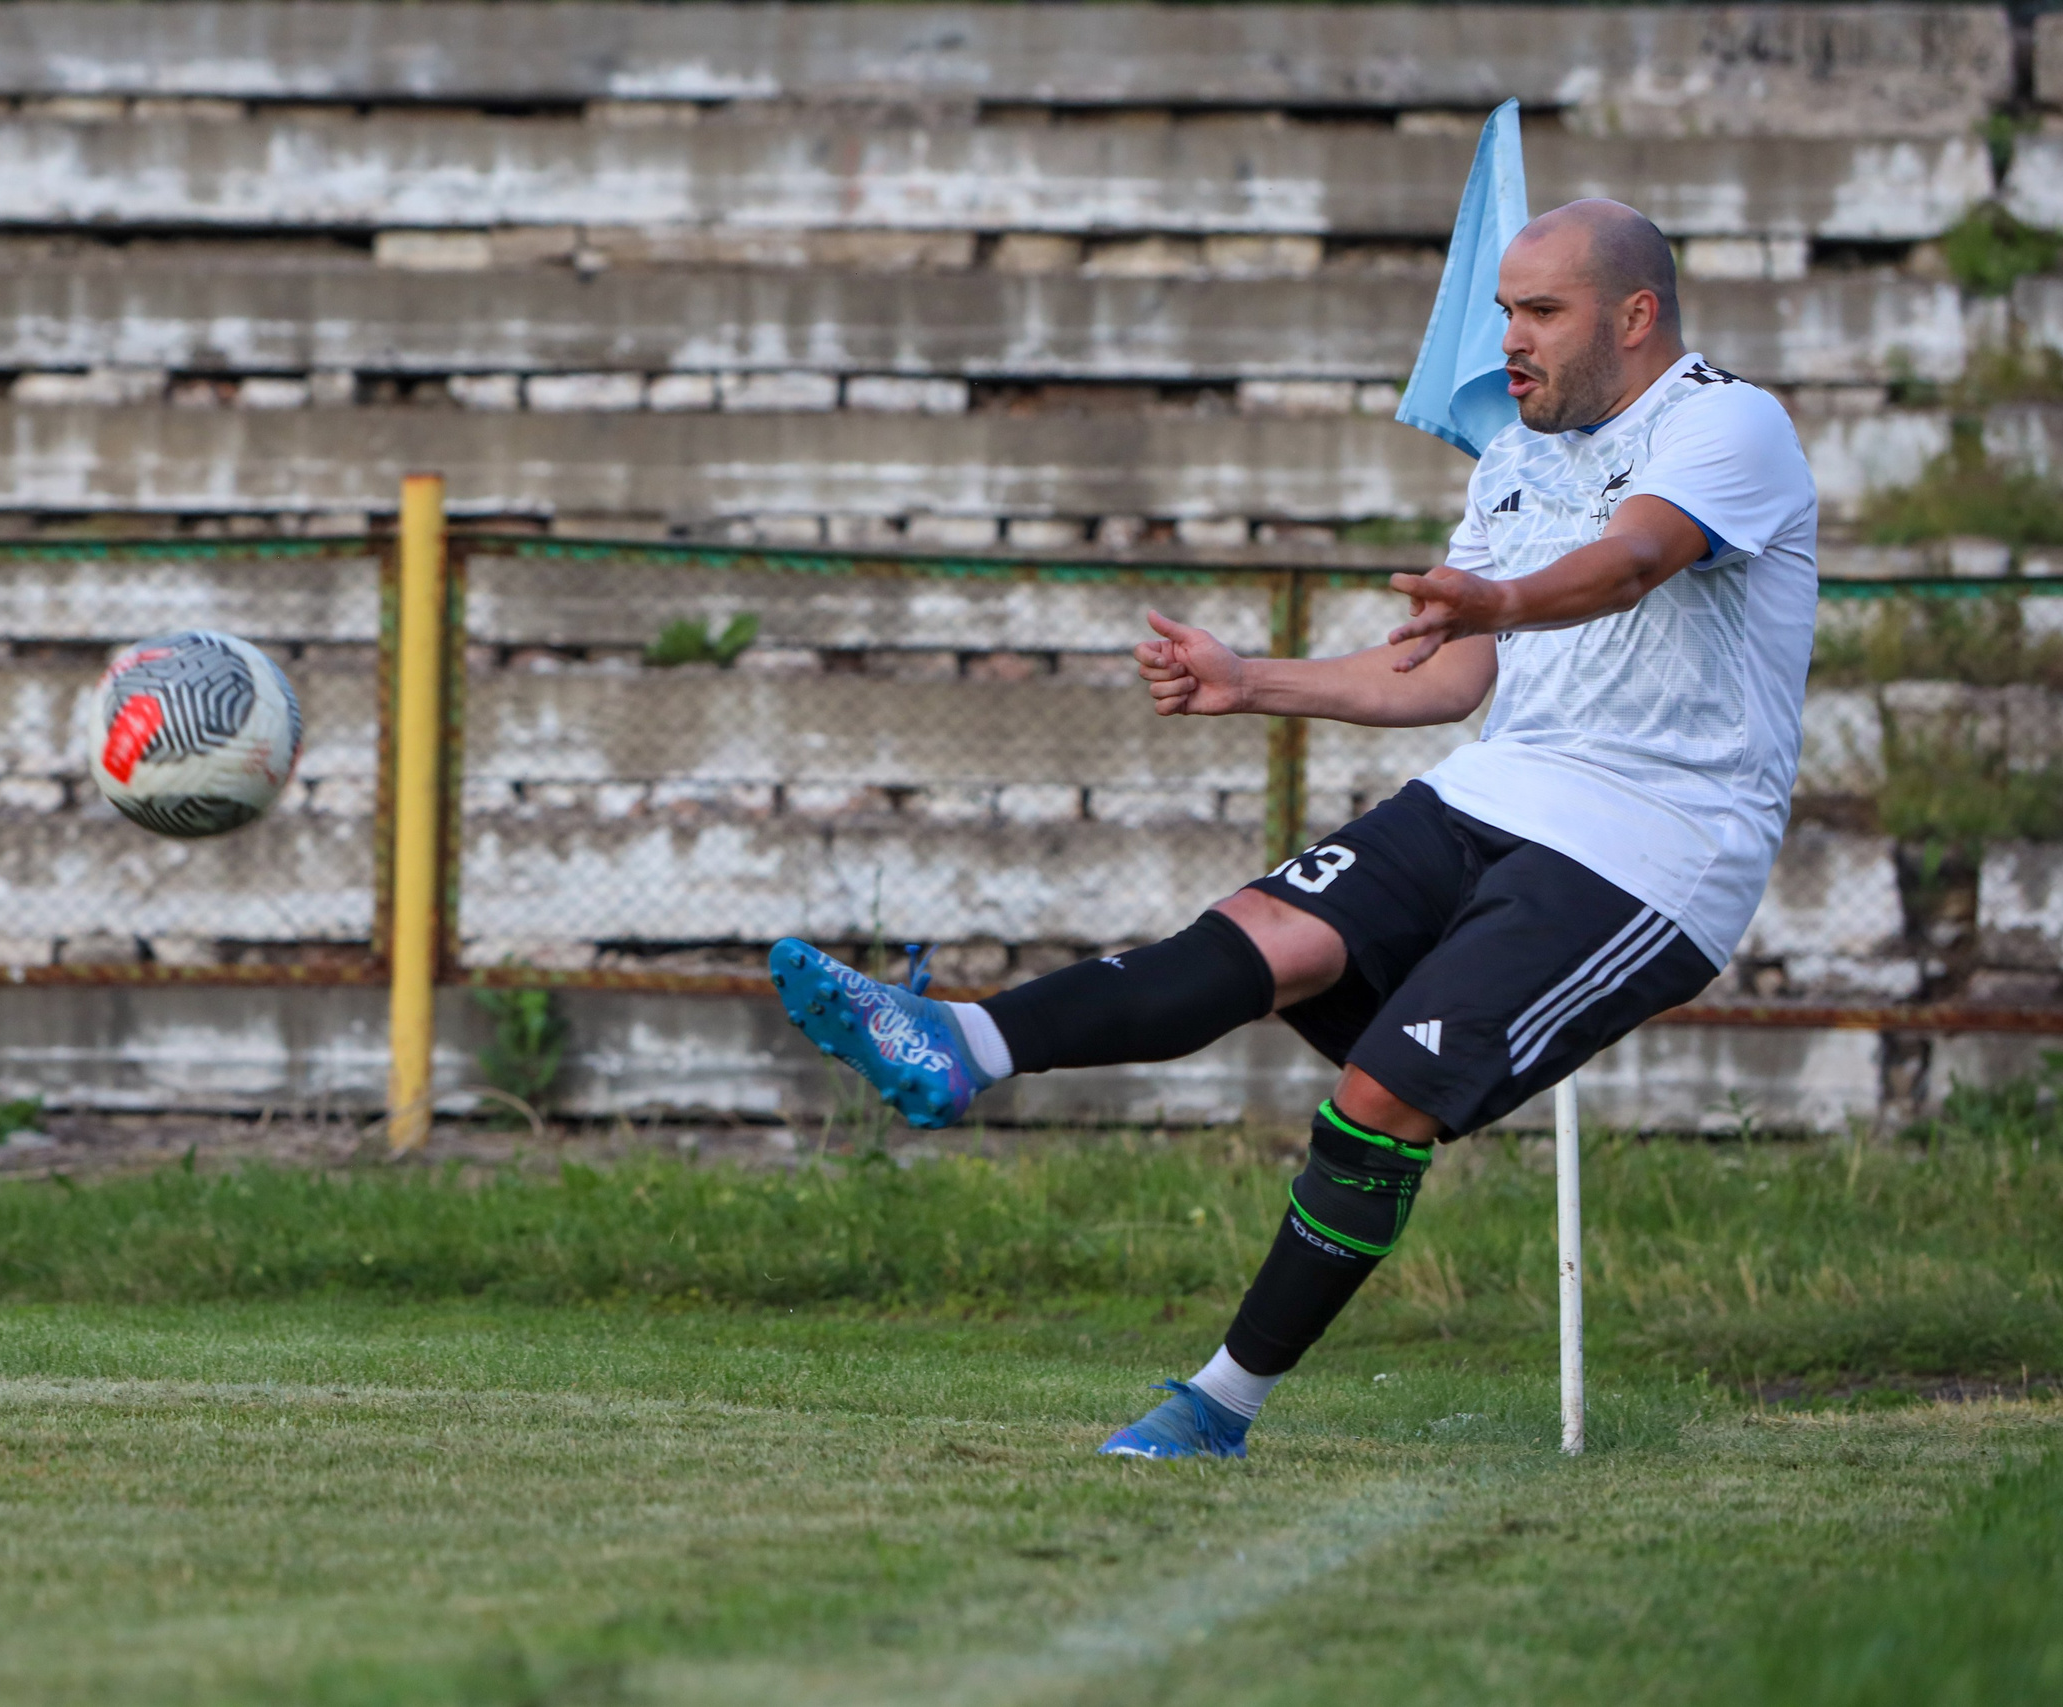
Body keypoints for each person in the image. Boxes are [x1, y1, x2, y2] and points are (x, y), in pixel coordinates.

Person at [765, 199, 1821, 1458]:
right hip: (1495, 789)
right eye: (1503, 312)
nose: (1509, 343)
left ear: (1635, 317)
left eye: (1540, 313)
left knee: (1381, 1094)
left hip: (1651, 850)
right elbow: (1440, 676)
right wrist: (1247, 680)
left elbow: (1634, 560)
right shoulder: (1514, 459)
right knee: (1267, 934)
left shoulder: (1726, 423)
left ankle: (1216, 1405)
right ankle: (961, 1044)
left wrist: (1502, 596)